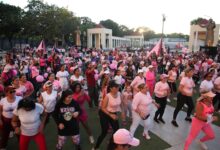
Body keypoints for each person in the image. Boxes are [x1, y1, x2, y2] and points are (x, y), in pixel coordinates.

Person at [93, 80, 123, 150]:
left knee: (116, 130)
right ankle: (96, 147)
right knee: (104, 131)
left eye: (118, 87)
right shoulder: (107, 96)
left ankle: (110, 142)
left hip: (113, 113)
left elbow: (121, 103)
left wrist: (123, 112)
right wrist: (110, 115)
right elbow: (103, 108)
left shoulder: (119, 94)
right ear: (111, 88)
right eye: (115, 87)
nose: (117, 89)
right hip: (104, 114)